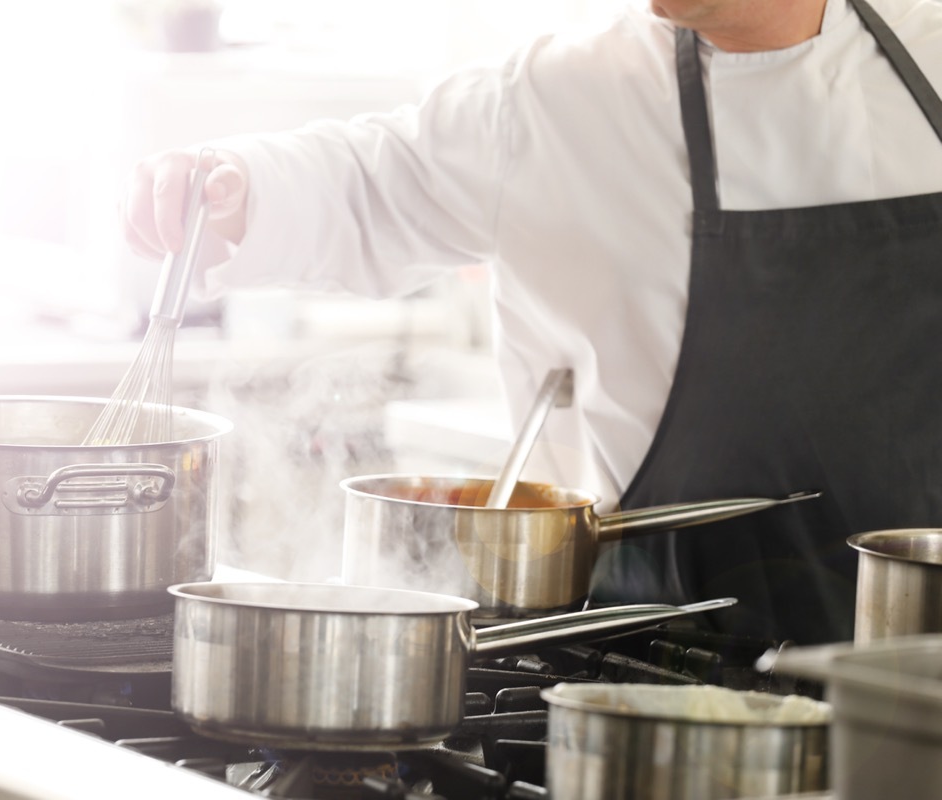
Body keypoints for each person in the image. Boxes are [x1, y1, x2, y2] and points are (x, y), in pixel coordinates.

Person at [121, 0, 942, 646]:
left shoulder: (929, 56)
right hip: (663, 690)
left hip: (918, 687)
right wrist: (235, 184)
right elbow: (374, 179)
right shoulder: (564, 99)